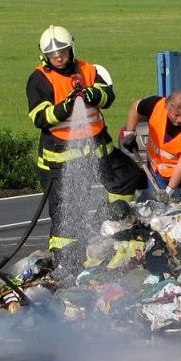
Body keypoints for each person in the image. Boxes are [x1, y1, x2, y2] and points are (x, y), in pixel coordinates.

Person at [26, 25, 144, 251]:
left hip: (99, 150)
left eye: (63, 52)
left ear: (72, 48)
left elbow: (107, 96)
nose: (59, 58)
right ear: (44, 56)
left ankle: (112, 221)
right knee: (67, 210)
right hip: (60, 160)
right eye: (53, 55)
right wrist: (65, 107)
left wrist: (92, 94)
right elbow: (40, 117)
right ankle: (64, 257)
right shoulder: (39, 79)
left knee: (127, 175)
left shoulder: (87, 69)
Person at [123, 91, 181, 202]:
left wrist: (168, 191)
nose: (180, 119)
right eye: (176, 115)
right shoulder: (154, 105)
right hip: (156, 170)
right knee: (157, 207)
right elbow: (135, 108)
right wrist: (129, 133)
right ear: (167, 107)